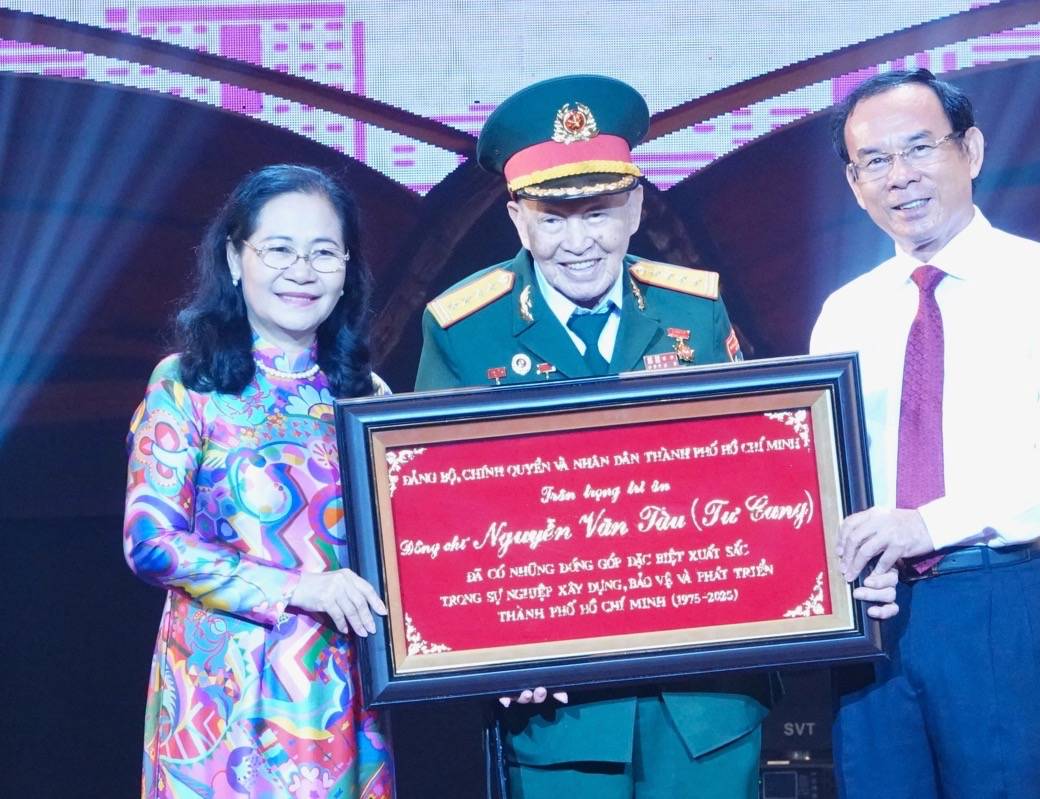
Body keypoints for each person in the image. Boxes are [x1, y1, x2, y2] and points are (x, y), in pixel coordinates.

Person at [416, 74, 897, 798]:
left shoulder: (694, 310)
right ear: (517, 219)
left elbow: (759, 477)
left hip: (703, 699)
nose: (578, 241)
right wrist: (492, 651)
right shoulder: (463, 327)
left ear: (636, 205)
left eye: (600, 212)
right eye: (553, 217)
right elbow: (436, 513)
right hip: (560, 710)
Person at [810, 69, 1040, 799]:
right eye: (874, 162)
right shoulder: (844, 313)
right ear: (854, 184)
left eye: (919, 149)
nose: (900, 177)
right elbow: (821, 470)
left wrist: (923, 524)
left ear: (970, 151)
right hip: (874, 618)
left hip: (999, 596)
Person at [124, 164, 395, 798]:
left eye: (323, 252)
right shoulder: (186, 382)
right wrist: (301, 587)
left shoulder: (369, 396)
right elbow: (150, 542)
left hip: (342, 693)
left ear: (347, 267)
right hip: (220, 698)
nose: (301, 271)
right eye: (278, 249)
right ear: (234, 258)